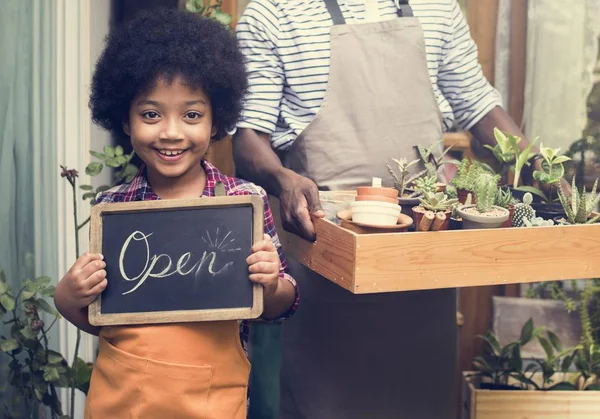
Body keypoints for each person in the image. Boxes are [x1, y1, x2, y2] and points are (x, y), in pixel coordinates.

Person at [233, 1, 555, 418]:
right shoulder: (274, 13)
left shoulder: (437, 8)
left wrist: (551, 176)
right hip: (326, 256)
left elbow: (480, 108)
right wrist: (283, 179)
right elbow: (247, 141)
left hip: (422, 260)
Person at [53, 9, 298, 419]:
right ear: (125, 121)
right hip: (123, 398)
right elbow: (102, 314)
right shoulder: (115, 209)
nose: (170, 132)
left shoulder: (244, 202)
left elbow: (284, 304)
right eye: (151, 114)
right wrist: (67, 297)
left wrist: (271, 284)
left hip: (214, 400)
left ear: (217, 118)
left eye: (191, 115)